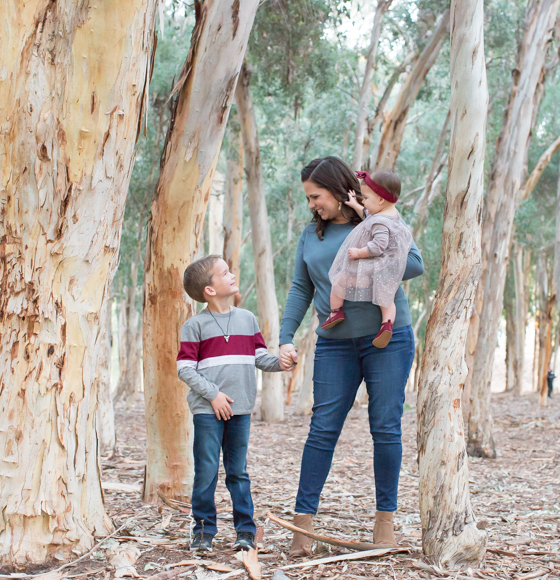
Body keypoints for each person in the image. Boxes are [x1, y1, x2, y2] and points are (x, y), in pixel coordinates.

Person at [277, 156, 424, 556]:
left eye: (316, 196)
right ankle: (302, 527)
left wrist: (364, 223)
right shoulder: (312, 235)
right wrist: (285, 336)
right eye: (308, 198)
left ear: (339, 191)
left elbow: (414, 264)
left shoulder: (378, 221)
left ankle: (385, 524)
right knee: (322, 429)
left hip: (387, 340)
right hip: (334, 342)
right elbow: (299, 288)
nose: (312, 204)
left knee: (386, 427)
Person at [176, 255, 285, 553]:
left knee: (238, 471)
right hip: (207, 410)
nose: (232, 274)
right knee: (207, 471)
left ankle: (245, 532)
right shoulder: (194, 325)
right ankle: (202, 532)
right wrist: (213, 395)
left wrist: (282, 362)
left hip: (241, 409)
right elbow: (184, 368)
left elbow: (259, 357)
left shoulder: (247, 319)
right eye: (224, 273)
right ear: (210, 290)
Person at [322, 169, 414, 349]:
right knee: (386, 299)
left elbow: (378, 246)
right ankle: (386, 324)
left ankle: (335, 312)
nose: (363, 201)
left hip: (372, 264)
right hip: (386, 269)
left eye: (366, 198)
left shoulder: (380, 222)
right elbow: (368, 214)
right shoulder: (391, 216)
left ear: (380, 199)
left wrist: (358, 252)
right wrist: (356, 205)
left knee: (340, 280)